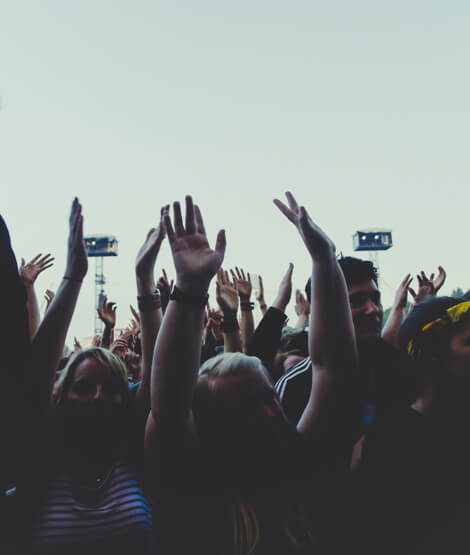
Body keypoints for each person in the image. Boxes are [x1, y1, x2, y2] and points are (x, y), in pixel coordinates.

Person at [146, 193, 359, 554]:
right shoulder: (193, 481)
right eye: (245, 405)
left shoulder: (293, 459)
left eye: (269, 396)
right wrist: (189, 290)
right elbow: (168, 410)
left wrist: (325, 259)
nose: (271, 411)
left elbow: (332, 369)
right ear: (205, 418)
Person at [14, 199, 153, 555]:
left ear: (126, 397)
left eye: (110, 388)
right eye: (84, 387)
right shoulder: (42, 451)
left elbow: (158, 380)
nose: (97, 397)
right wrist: (73, 276)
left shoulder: (135, 446)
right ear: (59, 394)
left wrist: (145, 282)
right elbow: (34, 378)